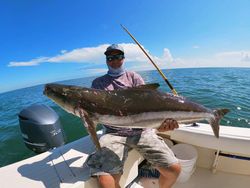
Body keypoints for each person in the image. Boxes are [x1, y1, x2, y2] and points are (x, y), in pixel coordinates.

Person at [90, 44, 181, 188]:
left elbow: (148, 105)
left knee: (174, 170)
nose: (114, 60)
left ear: (124, 58)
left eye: (118, 56)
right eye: (110, 57)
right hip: (113, 133)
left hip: (142, 131)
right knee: (106, 182)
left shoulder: (134, 77)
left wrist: (160, 125)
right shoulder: (98, 83)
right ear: (106, 60)